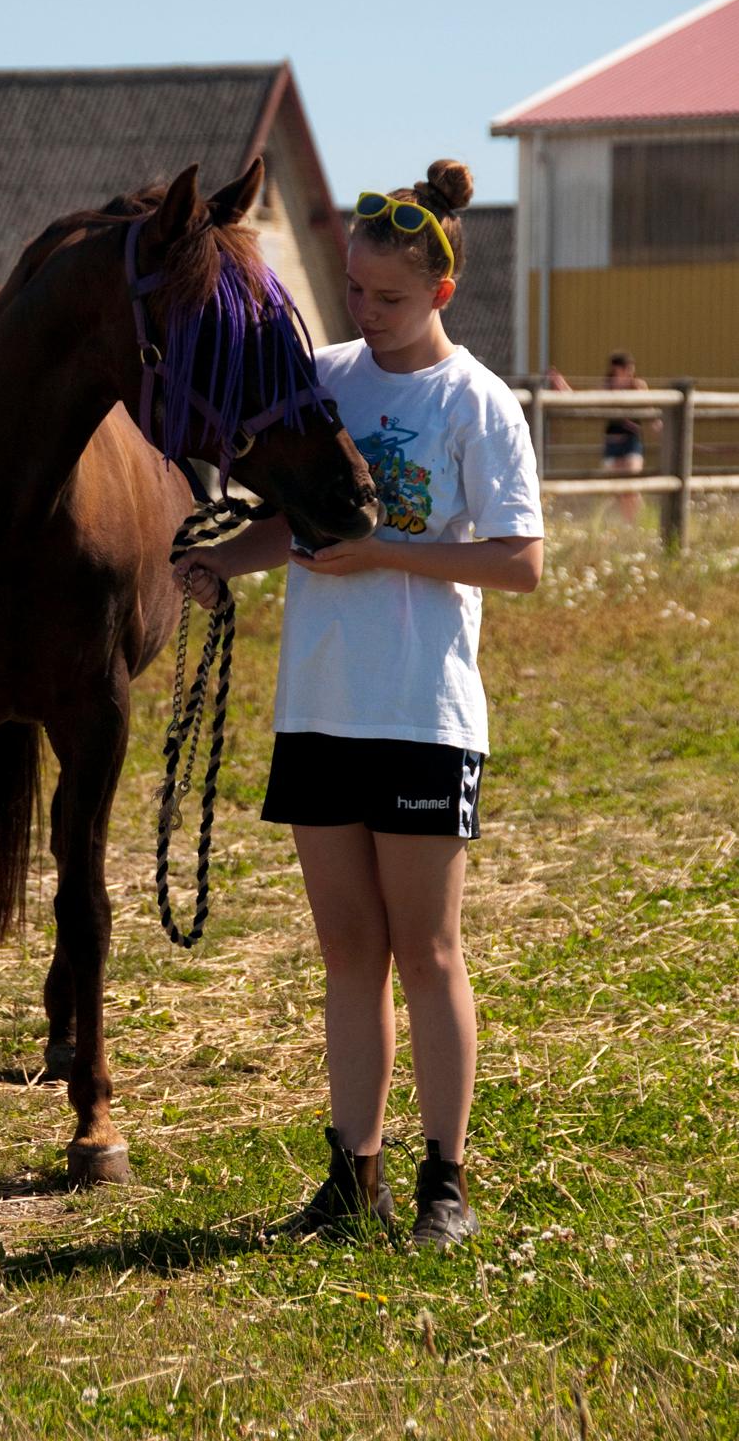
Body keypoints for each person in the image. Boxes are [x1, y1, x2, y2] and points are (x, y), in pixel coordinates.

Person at [173, 160, 544, 1248]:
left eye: (387, 298)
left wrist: (381, 549)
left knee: (426, 950)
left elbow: (518, 562)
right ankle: (352, 1178)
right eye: (354, 294)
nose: (365, 315)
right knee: (346, 951)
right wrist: (220, 564)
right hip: (320, 706)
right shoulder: (327, 379)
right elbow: (297, 522)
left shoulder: (474, 399)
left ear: (438, 293)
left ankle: (444, 1180)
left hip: (423, 713)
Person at [601, 349, 654, 525]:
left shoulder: (638, 385)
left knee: (631, 485)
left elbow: (648, 407)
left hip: (631, 441)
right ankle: (628, 523)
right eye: (625, 369)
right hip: (612, 442)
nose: (630, 372)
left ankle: (637, 523)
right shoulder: (607, 386)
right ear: (617, 369)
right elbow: (585, 397)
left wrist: (655, 421)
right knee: (618, 489)